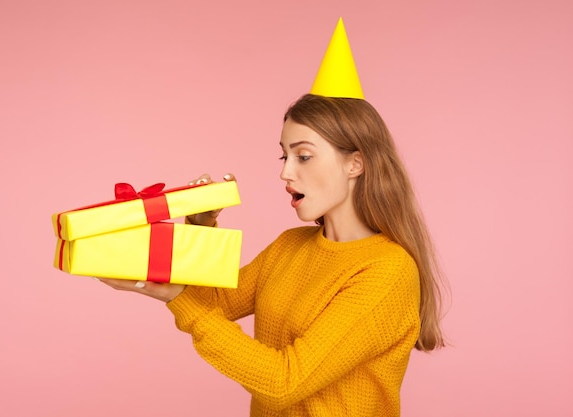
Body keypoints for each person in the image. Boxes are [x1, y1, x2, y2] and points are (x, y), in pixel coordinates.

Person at [100, 19, 446, 417]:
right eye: (284, 155)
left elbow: (284, 383)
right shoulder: (289, 247)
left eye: (303, 155)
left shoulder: (387, 272)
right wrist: (199, 230)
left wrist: (178, 298)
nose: (285, 172)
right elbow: (214, 304)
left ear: (355, 163)